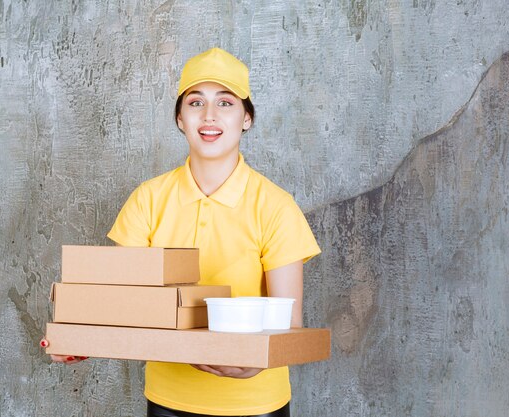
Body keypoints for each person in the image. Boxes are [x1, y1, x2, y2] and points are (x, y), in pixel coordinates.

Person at [48, 48, 321, 417]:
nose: (209, 116)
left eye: (225, 102)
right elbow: (118, 303)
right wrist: (79, 337)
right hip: (169, 403)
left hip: (257, 405)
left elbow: (289, 325)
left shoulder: (275, 207)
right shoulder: (148, 200)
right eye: (196, 102)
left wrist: (257, 362)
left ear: (246, 119)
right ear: (180, 118)